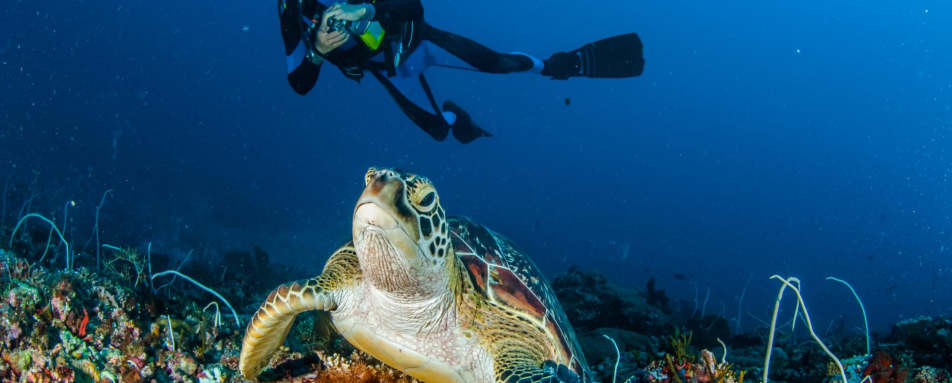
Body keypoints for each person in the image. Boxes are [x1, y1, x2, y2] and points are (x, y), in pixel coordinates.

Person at [279, 0, 644, 143]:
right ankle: (456, 117)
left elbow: (413, 7)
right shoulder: (291, 9)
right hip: (390, 71)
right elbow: (298, 82)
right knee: (440, 129)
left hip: (420, 43)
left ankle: (561, 64)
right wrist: (317, 53)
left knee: (498, 63)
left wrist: (368, 10)